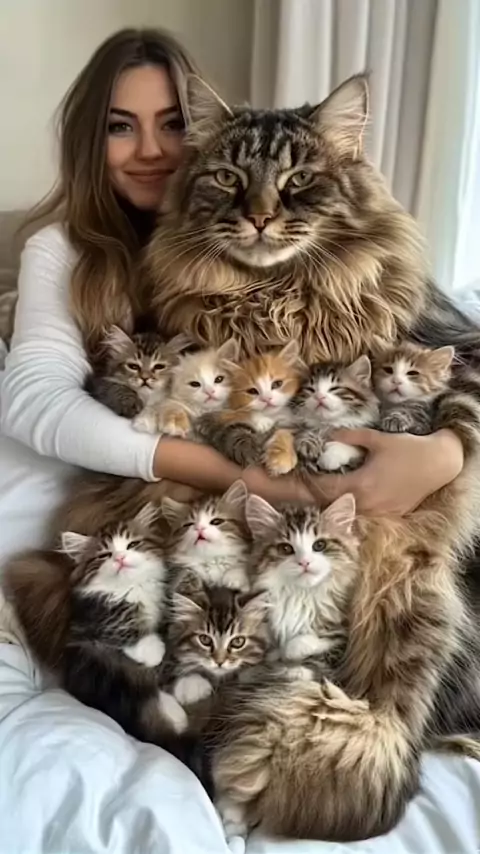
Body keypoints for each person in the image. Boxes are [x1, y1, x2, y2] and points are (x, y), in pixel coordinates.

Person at [0, 28, 463, 568]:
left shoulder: (354, 266)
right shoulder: (66, 249)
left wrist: (445, 453)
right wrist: (275, 486)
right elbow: (36, 399)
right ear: (89, 141)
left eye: (173, 124)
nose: (151, 150)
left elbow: (456, 355)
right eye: (120, 126)